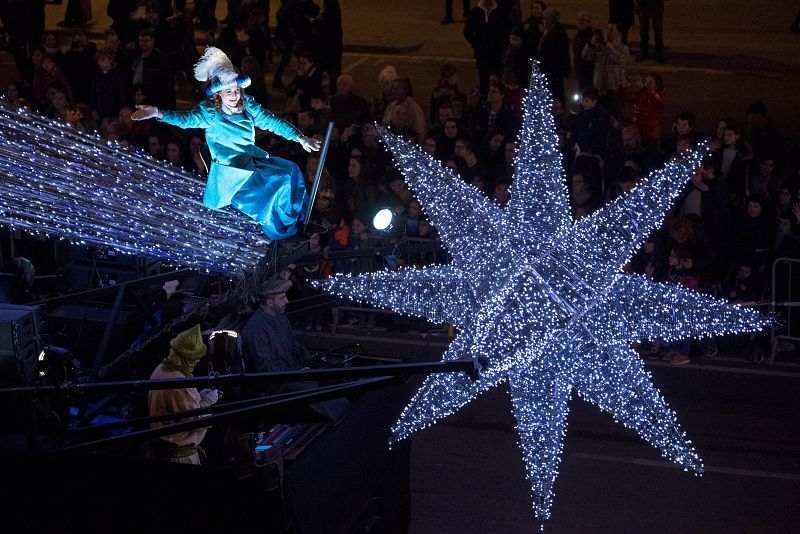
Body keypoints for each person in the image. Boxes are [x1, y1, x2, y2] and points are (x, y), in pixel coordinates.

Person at [131, 47, 321, 240]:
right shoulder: (211, 113)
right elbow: (185, 119)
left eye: (236, 90)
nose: (234, 95)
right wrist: (158, 113)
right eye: (228, 91)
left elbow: (273, 122)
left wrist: (300, 138)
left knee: (290, 171)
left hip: (251, 162)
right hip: (232, 173)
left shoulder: (248, 107)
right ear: (219, 94)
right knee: (272, 192)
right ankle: (284, 233)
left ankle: (298, 219)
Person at [147, 324, 220, 464]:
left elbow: (178, 409)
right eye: (195, 359)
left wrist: (198, 397)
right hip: (179, 457)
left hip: (162, 450)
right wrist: (209, 401)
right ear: (187, 357)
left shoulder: (161, 370)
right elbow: (195, 422)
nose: (197, 362)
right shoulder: (179, 383)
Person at [239, 277, 316, 392]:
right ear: (270, 302)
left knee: (326, 377)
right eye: (282, 298)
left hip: (291, 372)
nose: (287, 301)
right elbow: (266, 369)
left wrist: (312, 360)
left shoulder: (281, 319)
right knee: (312, 387)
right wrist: (297, 373)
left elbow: (295, 347)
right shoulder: (256, 328)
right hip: (274, 382)